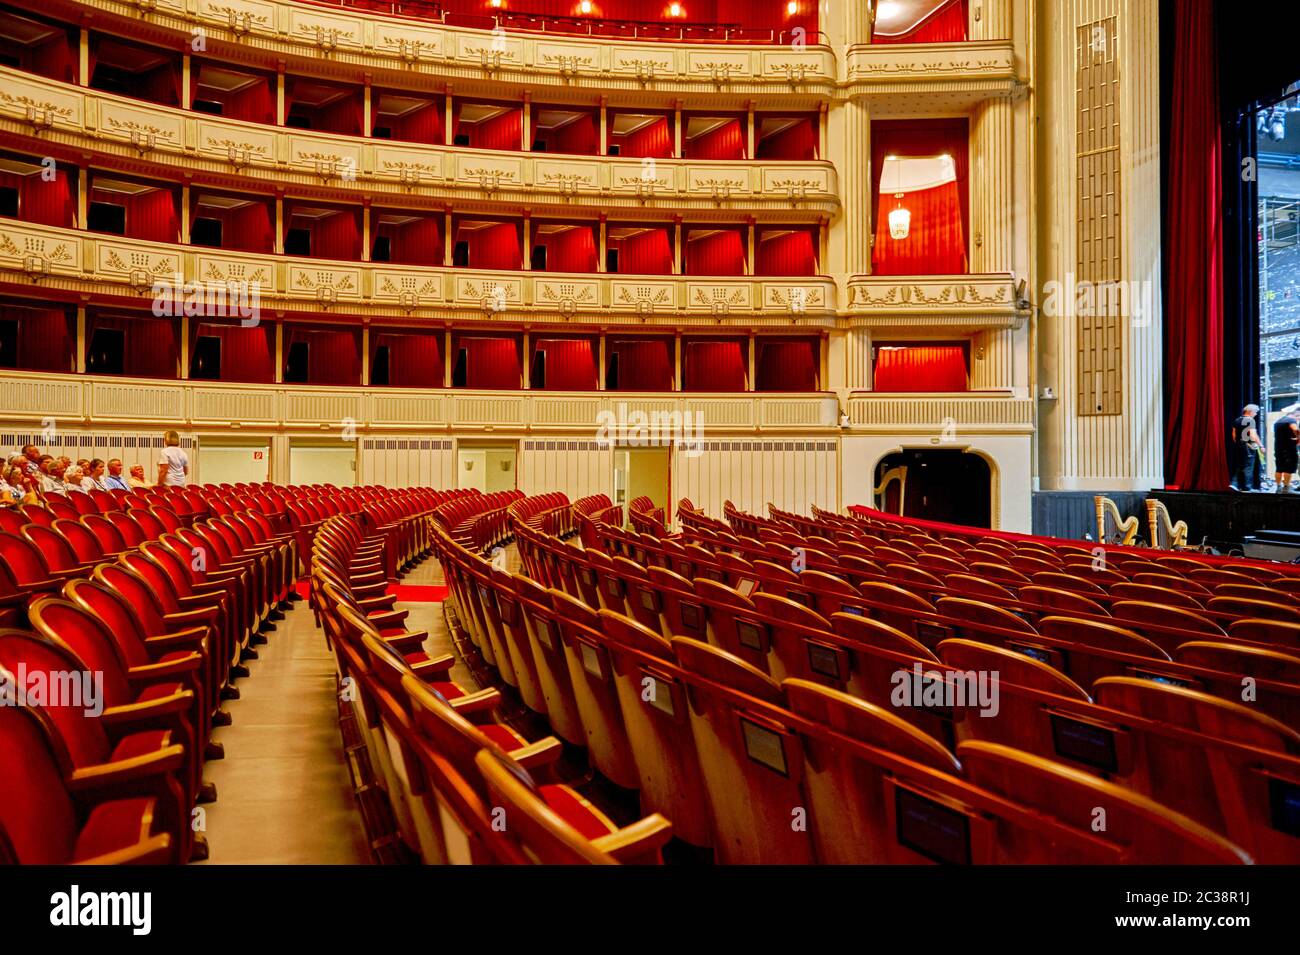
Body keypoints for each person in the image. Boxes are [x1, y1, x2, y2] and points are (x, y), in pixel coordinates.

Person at [1231, 404, 1264, 491]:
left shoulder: (1237, 420)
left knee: (1240, 465)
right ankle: (1246, 487)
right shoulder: (1250, 420)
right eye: (1255, 412)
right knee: (1248, 466)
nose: (1256, 414)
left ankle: (1235, 484)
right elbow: (1253, 435)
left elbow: (1234, 435)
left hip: (1239, 445)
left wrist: (1239, 442)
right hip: (1248, 446)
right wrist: (1259, 445)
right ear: (1251, 412)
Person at [1274, 407, 1300, 494]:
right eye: (1298, 417)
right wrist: (1298, 439)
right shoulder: (1291, 421)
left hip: (1278, 448)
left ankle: (1278, 487)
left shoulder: (1278, 422)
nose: (1298, 419)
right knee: (1288, 468)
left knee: (1279, 468)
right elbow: (1296, 429)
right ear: (1295, 415)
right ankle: (1286, 488)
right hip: (1289, 449)